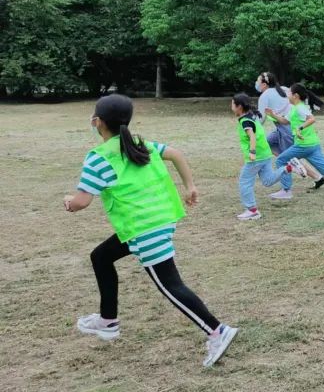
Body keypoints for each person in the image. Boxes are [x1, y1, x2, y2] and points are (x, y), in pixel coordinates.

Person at [62, 94, 238, 367]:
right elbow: (176, 154)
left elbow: (81, 202)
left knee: (170, 285)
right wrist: (190, 186)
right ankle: (108, 321)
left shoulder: (98, 158)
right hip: (159, 219)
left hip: (144, 227)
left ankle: (217, 331)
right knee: (101, 256)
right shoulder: (141, 144)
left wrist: (68, 203)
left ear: (97, 122)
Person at [265, 84, 324, 202]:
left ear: (295, 96)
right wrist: (272, 115)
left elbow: (312, 119)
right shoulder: (295, 108)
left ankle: (286, 191)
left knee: (281, 160)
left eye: (289, 93)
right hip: (312, 145)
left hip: (303, 145)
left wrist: (299, 128)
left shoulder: (300, 108)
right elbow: (285, 121)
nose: (287, 95)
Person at [232, 93, 296, 220]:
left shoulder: (245, 121)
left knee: (244, 182)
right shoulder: (252, 116)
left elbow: (252, 136)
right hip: (265, 154)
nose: (231, 106)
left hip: (256, 157)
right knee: (267, 181)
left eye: (233, 104)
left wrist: (252, 152)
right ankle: (288, 168)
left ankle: (252, 211)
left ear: (239, 106)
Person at [256, 72, 324, 189]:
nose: (256, 83)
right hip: (285, 126)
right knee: (268, 143)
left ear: (264, 84)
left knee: (289, 157)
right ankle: (315, 176)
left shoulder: (264, 96)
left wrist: (251, 126)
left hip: (286, 127)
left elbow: (261, 119)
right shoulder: (283, 89)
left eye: (257, 81)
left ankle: (317, 177)